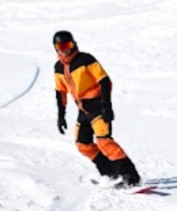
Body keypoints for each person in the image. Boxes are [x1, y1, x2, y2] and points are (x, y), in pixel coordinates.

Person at [52, 30, 142, 187]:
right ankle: (109, 173)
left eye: (68, 45)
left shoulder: (86, 59)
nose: (65, 49)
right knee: (83, 145)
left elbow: (105, 81)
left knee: (104, 141)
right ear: (56, 48)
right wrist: (61, 115)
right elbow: (60, 92)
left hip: (98, 107)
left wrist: (107, 106)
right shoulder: (58, 67)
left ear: (73, 44)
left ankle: (132, 177)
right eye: (61, 46)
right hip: (83, 110)